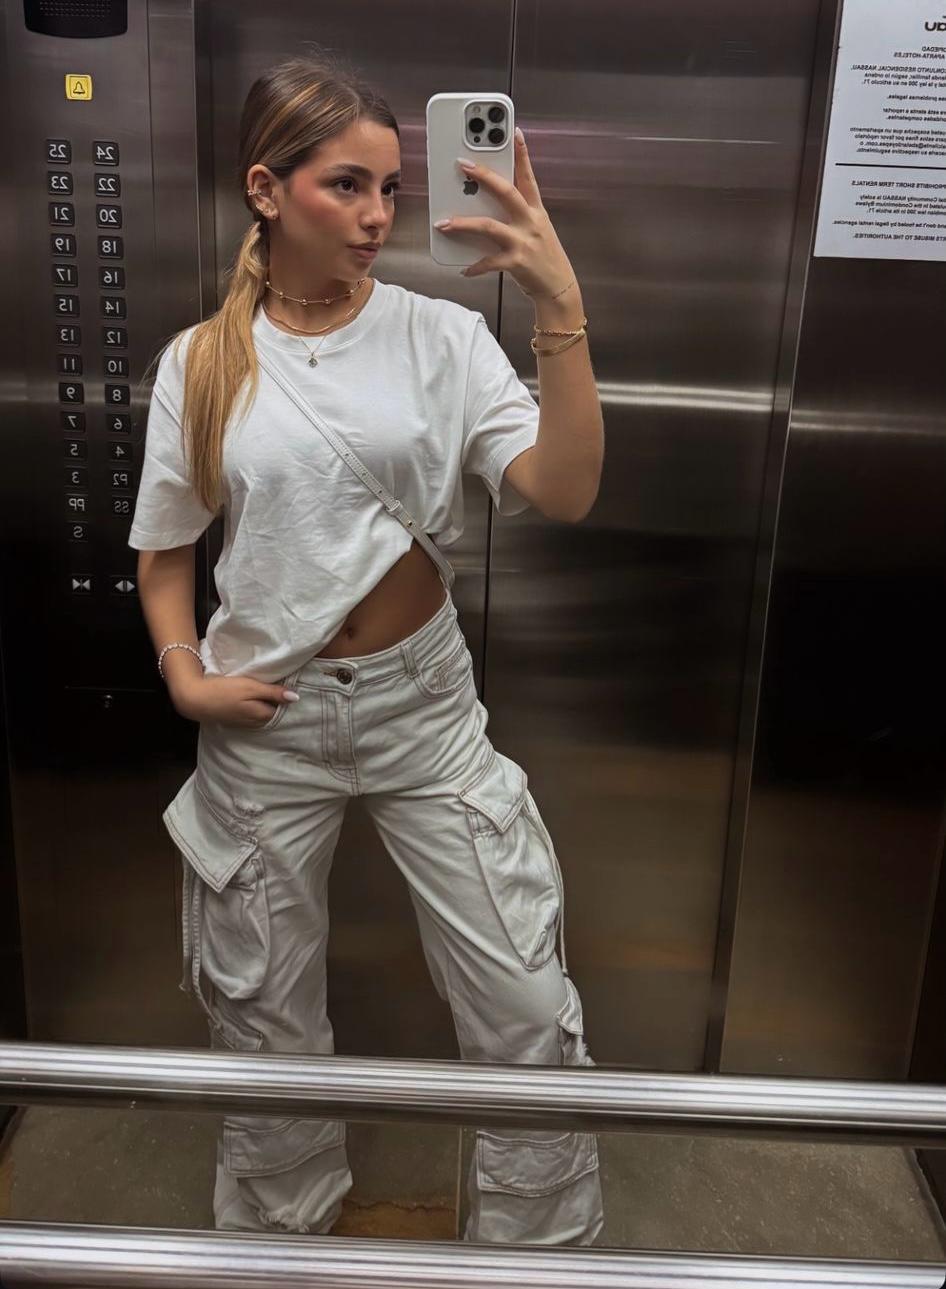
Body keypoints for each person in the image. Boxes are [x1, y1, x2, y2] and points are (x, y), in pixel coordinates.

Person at [129, 53, 604, 1244]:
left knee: (523, 999)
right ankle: (279, 1235)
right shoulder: (203, 361)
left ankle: (536, 1250)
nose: (379, 215)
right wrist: (183, 675)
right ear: (266, 189)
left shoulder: (442, 336)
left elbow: (563, 488)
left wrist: (557, 303)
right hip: (264, 716)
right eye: (347, 185)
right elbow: (166, 553)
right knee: (260, 1009)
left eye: (391, 188)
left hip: (420, 708)